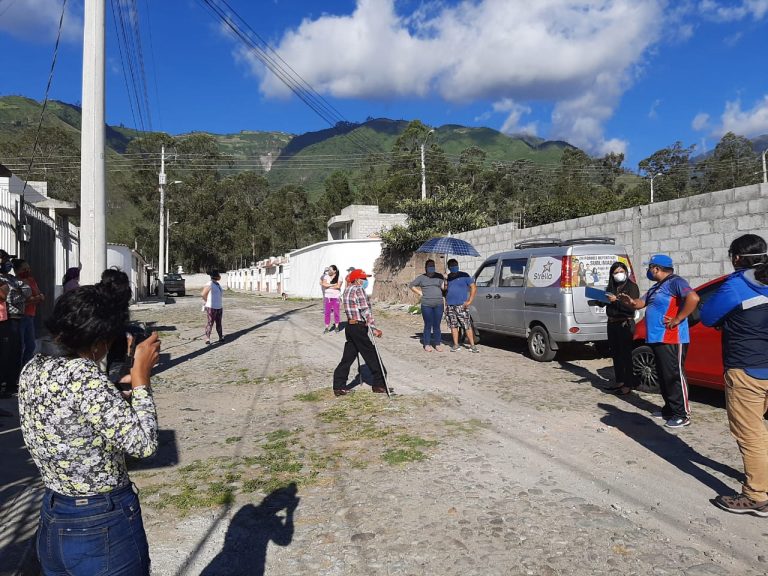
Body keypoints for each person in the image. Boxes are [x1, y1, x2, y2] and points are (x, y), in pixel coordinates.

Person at [18, 283, 161, 575]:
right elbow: (144, 444)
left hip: (54, 514)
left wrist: (117, 398)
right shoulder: (83, 375)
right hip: (100, 522)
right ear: (97, 340)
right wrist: (141, 380)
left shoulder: (33, 366)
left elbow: (70, 417)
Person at [700, 234, 768, 517]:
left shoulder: (736, 286)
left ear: (737, 258)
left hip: (746, 370)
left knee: (751, 434)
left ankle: (756, 497)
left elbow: (707, 317)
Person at [618, 254, 700, 428]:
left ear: (656, 268)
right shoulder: (656, 287)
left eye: (650, 267)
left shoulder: (676, 282)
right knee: (663, 376)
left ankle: (682, 414)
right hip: (656, 337)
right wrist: (630, 302)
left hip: (672, 338)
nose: (648, 270)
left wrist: (678, 319)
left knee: (674, 375)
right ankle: (669, 409)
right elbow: (641, 303)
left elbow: (693, 298)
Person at [332, 268, 387, 397]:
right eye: (363, 279)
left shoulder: (346, 291)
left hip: (350, 327)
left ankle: (338, 386)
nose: (365, 281)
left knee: (348, 357)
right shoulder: (359, 290)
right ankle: (379, 383)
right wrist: (374, 328)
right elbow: (365, 310)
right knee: (372, 355)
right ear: (357, 280)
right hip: (359, 327)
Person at [601, 262, 639, 396]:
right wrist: (600, 300)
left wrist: (616, 301)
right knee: (615, 353)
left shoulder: (631, 287)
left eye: (620, 271)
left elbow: (631, 307)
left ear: (625, 272)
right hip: (612, 323)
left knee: (626, 355)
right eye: (615, 272)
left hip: (625, 323)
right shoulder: (612, 287)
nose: (618, 275)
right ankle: (619, 381)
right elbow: (607, 303)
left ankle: (628, 384)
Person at [0, 259, 31, 397]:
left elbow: (27, 290)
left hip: (17, 317)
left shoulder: (11, 278)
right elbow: (10, 298)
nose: (8, 264)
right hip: (8, 318)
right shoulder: (3, 279)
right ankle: (6, 384)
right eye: (4, 261)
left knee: (17, 351)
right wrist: (20, 294)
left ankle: (11, 384)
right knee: (7, 353)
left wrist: (20, 292)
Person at [409, 259, 446, 352]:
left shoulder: (439, 276)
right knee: (428, 324)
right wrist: (419, 292)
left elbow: (444, 288)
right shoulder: (421, 277)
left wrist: (445, 279)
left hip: (439, 304)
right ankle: (427, 344)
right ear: (426, 267)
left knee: (437, 325)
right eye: (430, 266)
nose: (431, 267)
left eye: (433, 265)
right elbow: (411, 285)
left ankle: (437, 344)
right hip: (426, 305)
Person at [13, 259, 45, 366]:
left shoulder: (31, 280)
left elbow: (40, 295)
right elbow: (22, 301)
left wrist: (34, 298)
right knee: (20, 345)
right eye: (24, 269)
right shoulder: (15, 282)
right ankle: (16, 370)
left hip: (30, 316)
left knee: (31, 345)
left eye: (28, 268)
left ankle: (25, 367)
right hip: (19, 316)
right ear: (17, 271)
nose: (27, 271)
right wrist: (35, 298)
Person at [444, 258, 479, 353]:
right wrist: (445, 279)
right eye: (452, 265)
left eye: (455, 265)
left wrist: (469, 301)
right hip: (450, 305)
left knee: (466, 325)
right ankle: (456, 345)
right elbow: (444, 290)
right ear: (449, 267)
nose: (454, 267)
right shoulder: (448, 277)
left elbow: (473, 287)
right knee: (453, 325)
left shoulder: (465, 275)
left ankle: (472, 346)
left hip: (461, 305)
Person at [202, 270, 224, 345]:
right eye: (218, 274)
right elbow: (203, 294)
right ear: (215, 275)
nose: (219, 276)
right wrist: (207, 301)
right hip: (211, 307)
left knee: (219, 323)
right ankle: (207, 338)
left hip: (219, 307)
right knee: (210, 322)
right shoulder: (209, 284)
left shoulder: (217, 284)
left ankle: (220, 337)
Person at [320, 265, 342, 334]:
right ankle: (326, 327)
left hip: (336, 297)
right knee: (327, 312)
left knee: (336, 312)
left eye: (330, 270)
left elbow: (338, 286)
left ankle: (336, 326)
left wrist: (328, 286)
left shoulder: (339, 277)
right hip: (328, 297)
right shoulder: (326, 276)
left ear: (334, 271)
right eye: (328, 270)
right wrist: (333, 285)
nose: (329, 271)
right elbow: (324, 284)